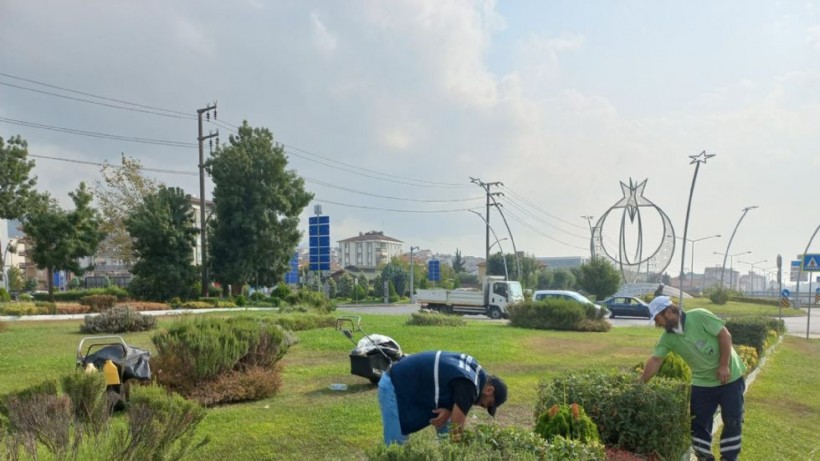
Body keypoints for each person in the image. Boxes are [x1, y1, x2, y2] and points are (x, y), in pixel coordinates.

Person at [639, 296, 746, 461]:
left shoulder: (699, 316)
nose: (657, 324)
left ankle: (729, 458)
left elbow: (725, 335)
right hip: (702, 383)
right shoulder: (668, 338)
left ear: (668, 312)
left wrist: (724, 365)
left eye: (657, 319)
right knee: (698, 424)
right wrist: (640, 383)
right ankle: (704, 458)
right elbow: (655, 360)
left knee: (733, 421)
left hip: (730, 378)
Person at [378, 350, 507, 445]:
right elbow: (457, 426)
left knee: (446, 425)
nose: (483, 407)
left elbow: (447, 382)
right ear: (489, 390)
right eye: (488, 404)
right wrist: (455, 453)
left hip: (411, 384)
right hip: (395, 385)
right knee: (395, 446)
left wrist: (449, 409)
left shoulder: (475, 371)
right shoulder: (470, 386)